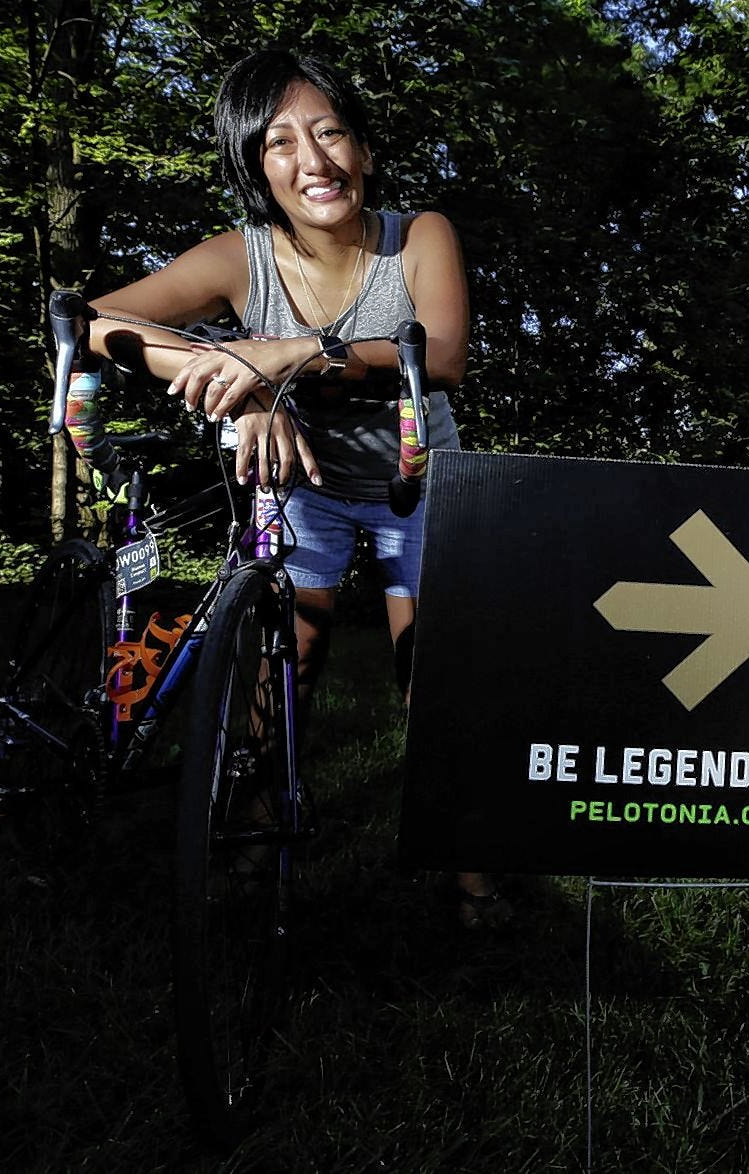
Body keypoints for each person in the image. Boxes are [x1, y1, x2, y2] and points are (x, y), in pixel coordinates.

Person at [83, 49, 507, 929]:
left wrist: (293, 353)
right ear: (254, 168)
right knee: (292, 660)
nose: (312, 159)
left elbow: (446, 357)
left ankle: (472, 880)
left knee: (429, 671)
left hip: (416, 479)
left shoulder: (417, 234)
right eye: (280, 141)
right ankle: (250, 826)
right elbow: (94, 319)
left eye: (330, 132)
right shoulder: (241, 258)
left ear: (364, 150)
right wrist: (237, 378)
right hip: (300, 481)